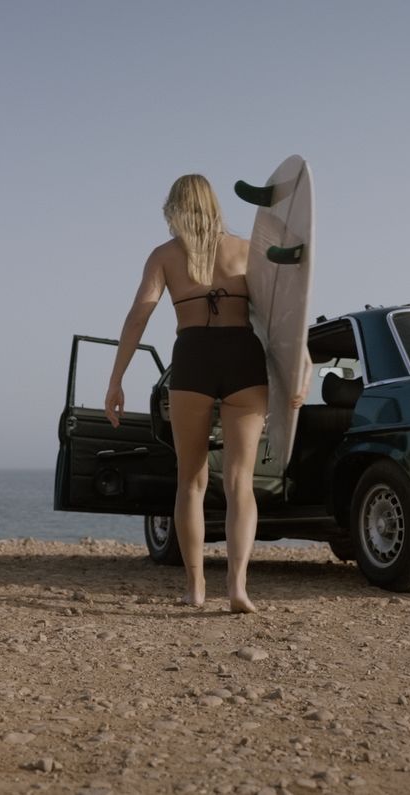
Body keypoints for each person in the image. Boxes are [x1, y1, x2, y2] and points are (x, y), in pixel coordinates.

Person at [104, 173, 292, 613]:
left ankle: (196, 587)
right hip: (243, 359)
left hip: (193, 360)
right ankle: (238, 587)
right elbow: (281, 319)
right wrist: (295, 375)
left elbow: (138, 317)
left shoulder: (165, 255)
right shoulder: (247, 250)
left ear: (173, 209)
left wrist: (116, 380)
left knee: (190, 480)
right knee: (241, 482)